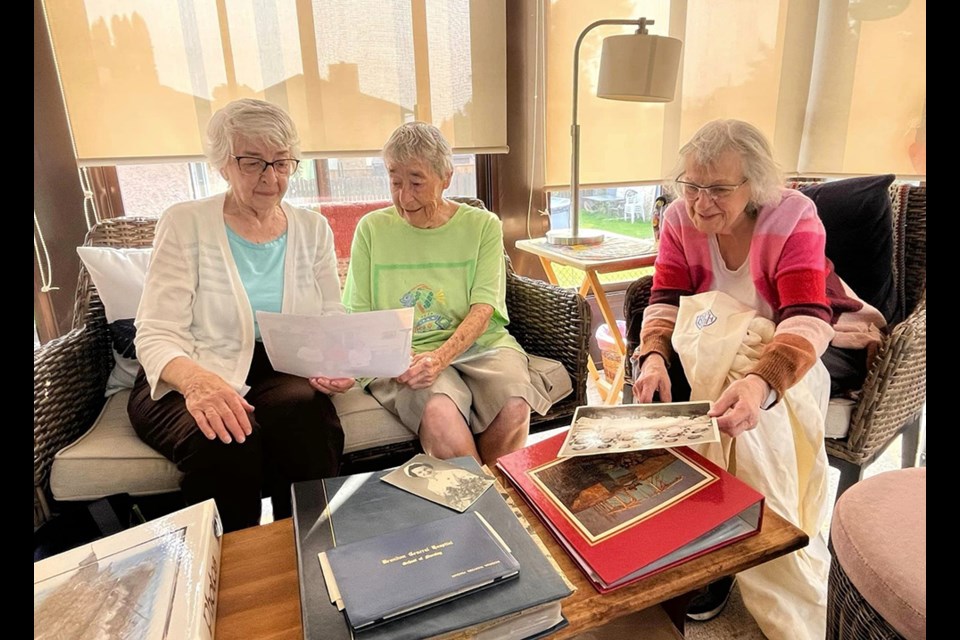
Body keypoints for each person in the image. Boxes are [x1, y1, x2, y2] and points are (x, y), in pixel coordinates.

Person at [629, 119, 885, 639]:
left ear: (756, 185)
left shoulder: (793, 217)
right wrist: (652, 356)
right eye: (691, 185)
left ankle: (741, 545)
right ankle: (696, 535)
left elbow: (808, 317)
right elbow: (665, 299)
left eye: (719, 189)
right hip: (715, 344)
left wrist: (760, 382)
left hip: (810, 338)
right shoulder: (681, 218)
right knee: (672, 393)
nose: (701, 203)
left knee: (753, 417)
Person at [128, 98, 354, 533]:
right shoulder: (184, 222)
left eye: (281, 162)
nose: (271, 177)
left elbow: (330, 315)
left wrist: (335, 361)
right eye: (252, 162)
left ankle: (311, 550)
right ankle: (232, 568)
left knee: (307, 415)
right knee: (226, 435)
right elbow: (156, 333)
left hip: (279, 365)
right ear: (222, 165)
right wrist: (198, 383)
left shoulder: (312, 228)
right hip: (185, 370)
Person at [342, 122, 554, 466]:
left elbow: (484, 306)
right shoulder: (372, 229)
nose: (404, 197)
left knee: (515, 404)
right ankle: (495, 507)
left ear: (446, 178)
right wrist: (399, 356)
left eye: (416, 182)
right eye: (395, 182)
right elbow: (359, 312)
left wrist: (440, 358)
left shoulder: (482, 225)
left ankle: (486, 503)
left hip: (479, 345)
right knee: (440, 413)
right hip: (401, 355)